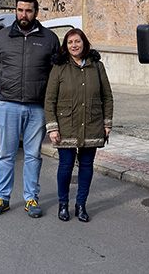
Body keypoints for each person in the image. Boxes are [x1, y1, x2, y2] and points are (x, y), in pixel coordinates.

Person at [0, 0, 60, 218]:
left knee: (33, 155)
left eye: (28, 10)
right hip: (9, 104)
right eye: (20, 10)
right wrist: (5, 90)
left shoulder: (49, 38)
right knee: (6, 153)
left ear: (36, 12)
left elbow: (55, 72)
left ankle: (31, 198)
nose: (23, 15)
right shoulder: (3, 37)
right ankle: (2, 198)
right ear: (15, 11)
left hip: (37, 106)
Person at [44, 29, 113, 222]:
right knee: (65, 167)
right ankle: (63, 204)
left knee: (86, 166)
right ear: (65, 46)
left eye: (77, 41)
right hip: (66, 125)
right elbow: (49, 100)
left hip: (92, 123)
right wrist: (53, 127)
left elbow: (107, 97)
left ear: (84, 43)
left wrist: (107, 124)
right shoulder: (59, 68)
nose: (74, 45)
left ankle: (81, 204)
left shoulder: (97, 67)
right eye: (70, 42)